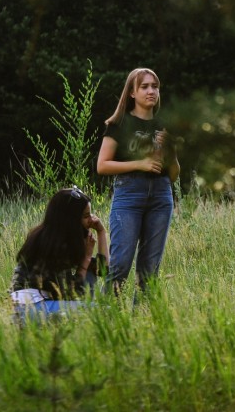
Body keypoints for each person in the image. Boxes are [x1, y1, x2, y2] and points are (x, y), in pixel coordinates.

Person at [96, 67, 180, 298]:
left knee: (149, 271)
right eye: (144, 87)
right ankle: (106, 313)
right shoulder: (119, 124)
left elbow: (173, 175)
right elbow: (102, 165)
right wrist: (139, 164)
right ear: (132, 92)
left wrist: (172, 150)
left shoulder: (165, 125)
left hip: (161, 197)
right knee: (120, 265)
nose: (151, 91)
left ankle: (142, 317)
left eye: (155, 86)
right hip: (129, 196)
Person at [10, 186, 109, 322]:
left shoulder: (61, 237)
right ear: (71, 219)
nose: (92, 220)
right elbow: (72, 294)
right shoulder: (53, 245)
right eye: (86, 216)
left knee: (90, 272)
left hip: (41, 304)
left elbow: (102, 270)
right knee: (104, 312)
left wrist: (101, 232)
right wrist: (86, 258)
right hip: (29, 309)